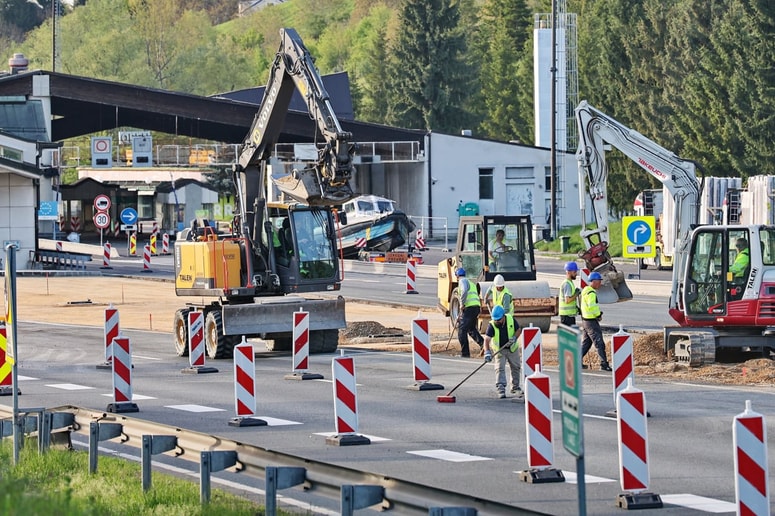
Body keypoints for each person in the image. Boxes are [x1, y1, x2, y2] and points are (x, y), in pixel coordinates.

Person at [482, 305, 522, 399]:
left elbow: (518, 330)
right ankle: (501, 389)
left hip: (512, 348)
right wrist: (487, 352)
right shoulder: (492, 325)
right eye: (495, 320)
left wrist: (515, 338)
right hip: (500, 350)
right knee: (499, 369)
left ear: (503, 316)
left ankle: (515, 388)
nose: (497, 321)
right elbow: (486, 340)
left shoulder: (511, 319)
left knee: (516, 367)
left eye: (498, 319)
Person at [580, 271, 612, 371]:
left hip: (586, 321)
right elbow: (592, 307)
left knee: (586, 343)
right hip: (591, 321)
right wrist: (598, 315)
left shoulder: (585, 291)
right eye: (599, 281)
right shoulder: (591, 293)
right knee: (599, 343)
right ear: (593, 281)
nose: (600, 283)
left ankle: (575, 361)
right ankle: (604, 364)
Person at [455, 267, 483, 358]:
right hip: (476, 307)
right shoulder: (471, 282)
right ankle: (483, 345)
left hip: (469, 308)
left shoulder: (462, 281)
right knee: (471, 329)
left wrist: (461, 304)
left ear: (458, 276)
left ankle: (465, 354)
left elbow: (464, 291)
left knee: (462, 330)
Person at [559, 262, 581, 326]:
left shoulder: (570, 283)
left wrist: (576, 308)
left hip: (569, 315)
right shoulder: (567, 284)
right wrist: (576, 294)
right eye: (574, 272)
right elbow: (567, 300)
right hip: (566, 316)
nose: (576, 274)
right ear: (568, 272)